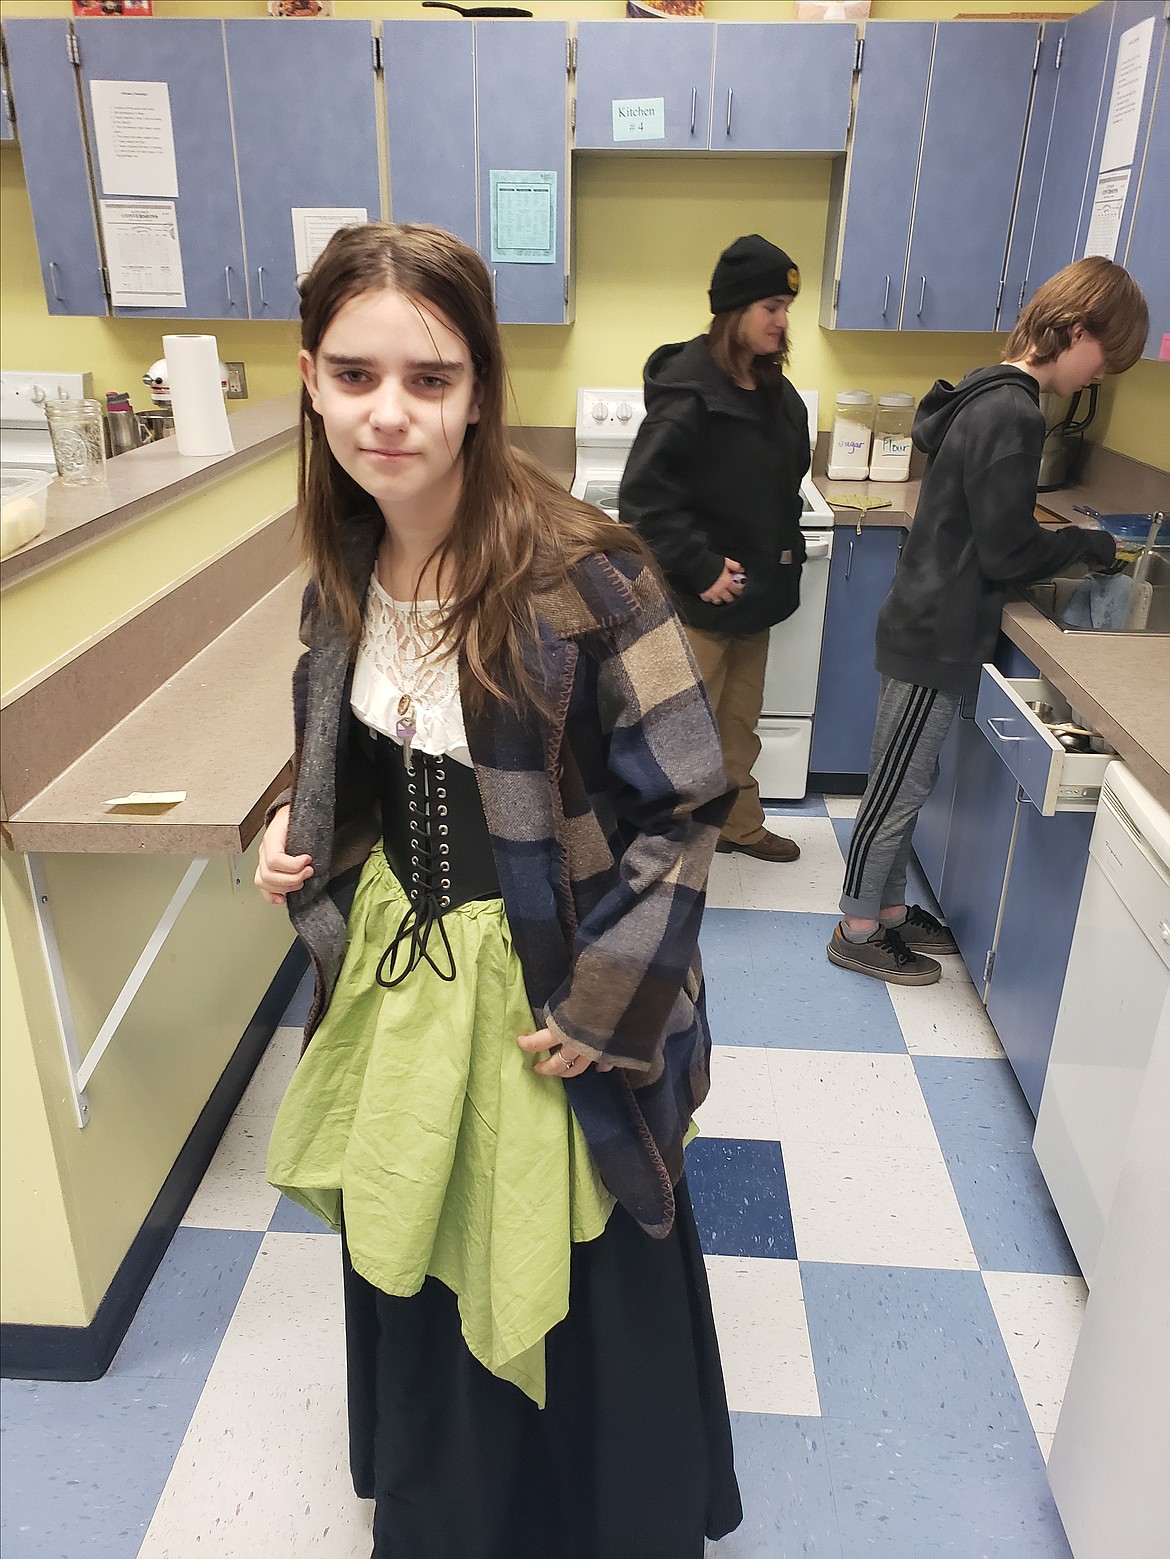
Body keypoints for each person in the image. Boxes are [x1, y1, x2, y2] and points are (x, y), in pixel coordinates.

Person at [253, 221, 743, 1559]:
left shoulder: (584, 572)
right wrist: (294, 839)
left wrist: (603, 1006)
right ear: (309, 378)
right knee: (421, 1222)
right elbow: (361, 753)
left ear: (478, 388)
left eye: (429, 377)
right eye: (355, 376)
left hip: (555, 983)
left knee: (577, 1260)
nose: (389, 412)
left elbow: (689, 803)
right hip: (406, 979)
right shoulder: (339, 567)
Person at [829, 256, 1150, 986]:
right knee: (898, 782)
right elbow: (1009, 548)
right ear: (1075, 331)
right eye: (1106, 358)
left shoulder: (991, 390)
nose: (1102, 377)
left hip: (930, 615)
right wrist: (1090, 545)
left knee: (909, 774)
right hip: (935, 626)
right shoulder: (1016, 412)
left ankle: (883, 909)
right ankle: (855, 924)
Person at [619, 233, 811, 864]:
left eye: (786, 309)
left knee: (736, 725)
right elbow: (643, 500)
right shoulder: (688, 395)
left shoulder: (772, 392)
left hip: (752, 598)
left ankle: (739, 826)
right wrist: (701, 567)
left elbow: (781, 485)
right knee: (678, 732)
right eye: (771, 309)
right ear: (735, 312)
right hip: (700, 602)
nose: (783, 323)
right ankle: (659, 847)